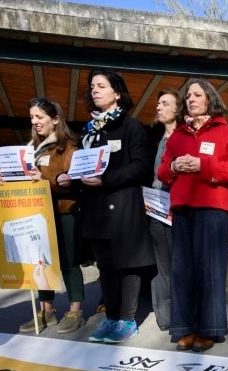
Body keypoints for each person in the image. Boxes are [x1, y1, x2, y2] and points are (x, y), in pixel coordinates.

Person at [158, 78, 228, 353]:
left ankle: (210, 329)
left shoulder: (227, 132)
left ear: (209, 98)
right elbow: (162, 172)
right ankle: (186, 328)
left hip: (213, 209)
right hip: (184, 208)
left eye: (197, 95)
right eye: (188, 97)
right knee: (182, 271)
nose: (191, 100)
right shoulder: (178, 136)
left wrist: (204, 165)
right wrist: (174, 165)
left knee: (210, 270)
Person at [0, 97, 86, 334]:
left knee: (68, 262)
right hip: (38, 215)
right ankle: (47, 310)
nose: (35, 122)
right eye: (32, 118)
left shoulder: (69, 147)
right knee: (40, 262)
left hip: (64, 212)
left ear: (55, 120)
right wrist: (4, 180)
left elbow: (73, 181)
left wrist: (45, 180)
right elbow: (23, 180)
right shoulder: (30, 149)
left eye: (40, 117)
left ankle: (75, 310)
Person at [79, 68, 155, 344]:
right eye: (92, 86)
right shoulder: (88, 131)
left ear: (117, 93)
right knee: (105, 268)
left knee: (127, 265)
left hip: (123, 208)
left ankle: (127, 319)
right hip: (97, 211)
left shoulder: (131, 127)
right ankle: (110, 318)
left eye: (100, 85)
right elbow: (82, 165)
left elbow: (140, 167)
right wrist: (72, 176)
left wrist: (105, 179)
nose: (94, 90)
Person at [147, 88, 182, 332]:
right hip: (154, 206)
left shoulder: (185, 137)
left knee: (178, 262)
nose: (158, 107)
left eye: (164, 103)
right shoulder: (153, 137)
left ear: (177, 109)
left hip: (178, 206)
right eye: (158, 103)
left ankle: (182, 313)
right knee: (162, 265)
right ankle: (166, 316)